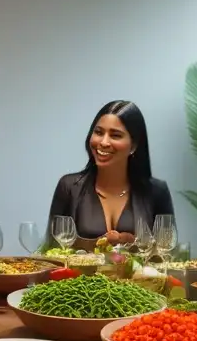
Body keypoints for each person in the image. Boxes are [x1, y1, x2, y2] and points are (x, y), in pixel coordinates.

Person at [47, 100, 174, 248]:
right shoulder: (69, 187)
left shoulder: (157, 191)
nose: (104, 142)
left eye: (115, 135)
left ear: (133, 145)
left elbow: (168, 253)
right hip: (80, 272)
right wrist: (95, 245)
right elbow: (52, 250)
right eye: (99, 132)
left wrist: (134, 244)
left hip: (139, 272)